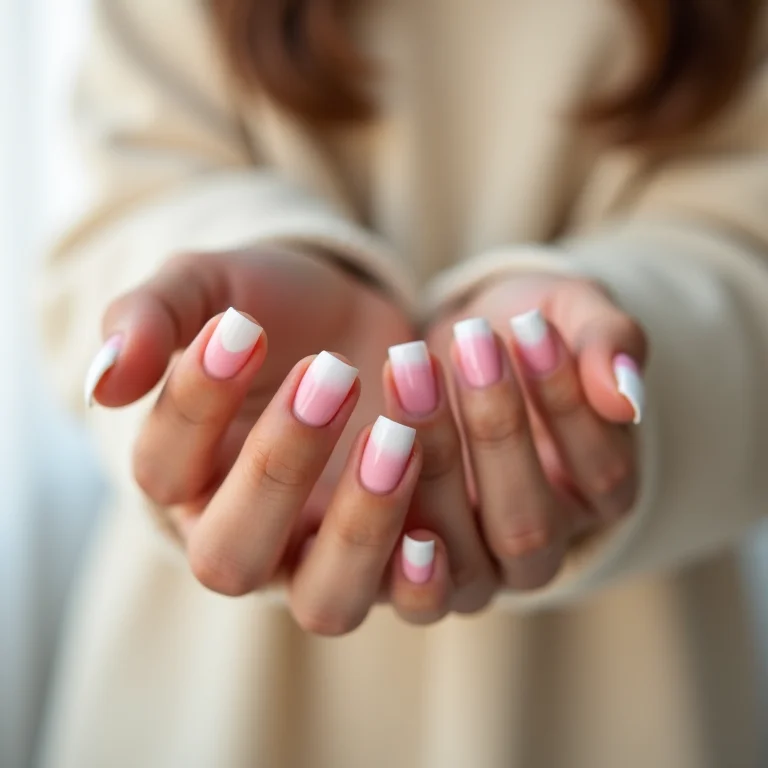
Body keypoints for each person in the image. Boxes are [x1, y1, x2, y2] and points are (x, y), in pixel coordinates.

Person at [38, 0, 768, 765]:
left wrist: (616, 352)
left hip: (621, 676)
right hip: (214, 677)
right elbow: (121, 201)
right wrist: (195, 320)